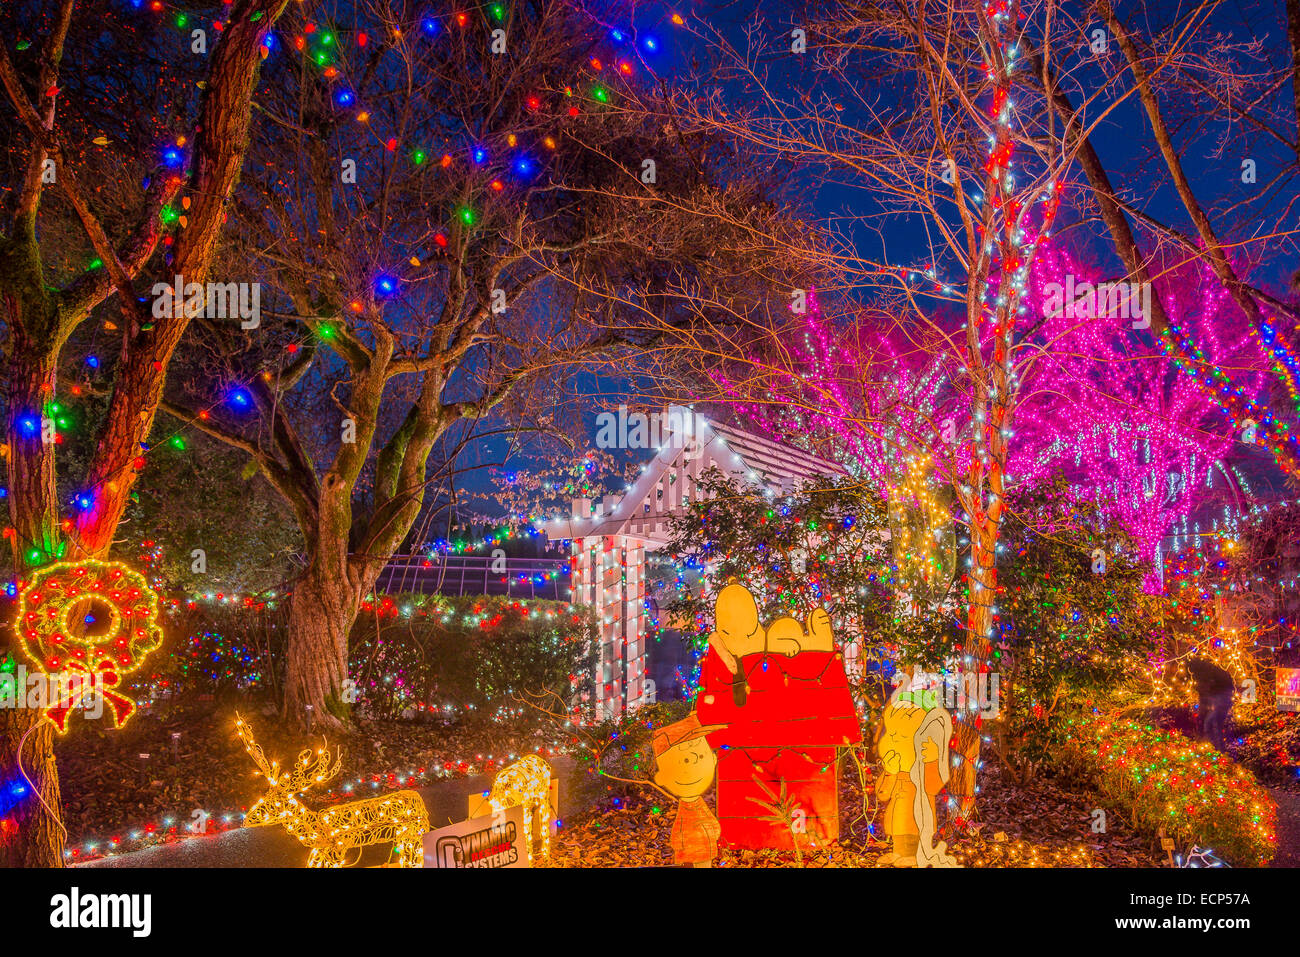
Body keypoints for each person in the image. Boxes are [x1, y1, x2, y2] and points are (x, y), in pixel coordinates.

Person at [652, 712, 724, 866]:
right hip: (690, 850)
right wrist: (678, 843)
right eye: (686, 760)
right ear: (662, 777)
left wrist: (715, 829)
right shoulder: (685, 809)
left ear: (713, 759)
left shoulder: (699, 803)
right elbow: (679, 828)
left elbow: (709, 818)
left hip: (705, 848)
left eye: (702, 756)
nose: (694, 764)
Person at [1186, 657, 1236, 750]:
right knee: (1211, 723)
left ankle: (1220, 750)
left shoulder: (1203, 673)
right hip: (1223, 694)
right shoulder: (1207, 670)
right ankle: (1217, 749)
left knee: (1214, 723)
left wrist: (1202, 712)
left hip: (1223, 695)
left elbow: (1204, 692)